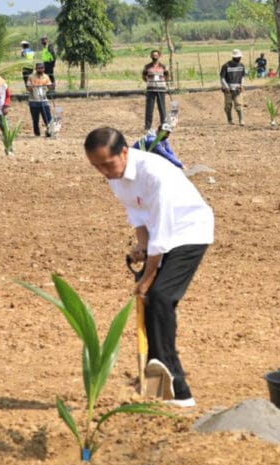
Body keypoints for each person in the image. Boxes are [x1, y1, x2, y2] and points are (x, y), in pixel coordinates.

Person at [85, 127, 214, 408]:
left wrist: (149, 276)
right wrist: (140, 247)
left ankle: (180, 392)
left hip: (189, 231)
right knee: (150, 303)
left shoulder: (155, 173)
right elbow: (140, 217)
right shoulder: (116, 178)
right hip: (160, 235)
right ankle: (157, 386)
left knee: (160, 297)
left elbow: (164, 231)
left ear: (124, 152)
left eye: (107, 164)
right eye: (96, 167)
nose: (104, 172)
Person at [142, 50, 169, 132]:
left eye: (156, 55)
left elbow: (167, 75)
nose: (154, 56)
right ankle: (147, 126)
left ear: (159, 56)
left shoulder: (163, 66)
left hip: (161, 89)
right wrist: (149, 82)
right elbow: (143, 76)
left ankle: (164, 125)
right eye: (153, 55)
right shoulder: (147, 66)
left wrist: (163, 82)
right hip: (151, 89)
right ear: (151, 56)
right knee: (149, 109)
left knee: (162, 108)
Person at [26, 62, 54, 137]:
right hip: (34, 101)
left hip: (44, 100)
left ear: (44, 69)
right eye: (39, 68)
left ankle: (49, 132)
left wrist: (52, 86)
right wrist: (33, 86)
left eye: (42, 68)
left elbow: (49, 87)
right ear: (36, 69)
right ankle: (37, 133)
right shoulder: (31, 77)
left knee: (48, 118)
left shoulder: (46, 77)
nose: (40, 69)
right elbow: (28, 88)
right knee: (35, 119)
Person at [220, 49, 246, 126]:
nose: (239, 58)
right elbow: (222, 78)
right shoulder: (226, 66)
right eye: (238, 57)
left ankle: (241, 120)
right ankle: (230, 120)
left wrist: (242, 85)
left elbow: (242, 77)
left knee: (239, 104)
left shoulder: (241, 66)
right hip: (228, 89)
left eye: (240, 57)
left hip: (237, 89)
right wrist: (226, 87)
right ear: (234, 57)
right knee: (228, 105)